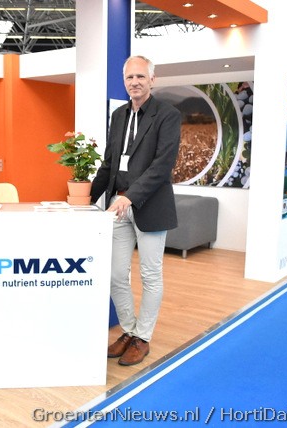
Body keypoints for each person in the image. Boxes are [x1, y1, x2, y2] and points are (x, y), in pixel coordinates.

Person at [90, 55, 181, 366]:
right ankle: (128, 330)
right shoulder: (118, 116)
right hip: (117, 206)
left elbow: (162, 166)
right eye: (130, 77)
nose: (135, 82)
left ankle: (143, 337)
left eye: (141, 76)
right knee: (116, 275)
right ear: (124, 81)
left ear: (152, 80)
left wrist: (130, 198)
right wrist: (86, 199)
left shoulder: (167, 115)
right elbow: (109, 163)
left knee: (150, 275)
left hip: (150, 206)